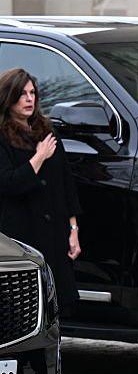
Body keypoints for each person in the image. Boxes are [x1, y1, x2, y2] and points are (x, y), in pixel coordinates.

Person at [0, 68, 81, 316]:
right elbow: (9, 183)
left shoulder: (47, 131)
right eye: (22, 94)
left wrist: (73, 229)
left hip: (54, 234)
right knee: (25, 307)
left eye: (32, 93)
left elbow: (66, 184)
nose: (29, 99)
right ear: (8, 97)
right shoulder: (2, 136)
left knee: (54, 306)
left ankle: (50, 354)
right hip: (22, 235)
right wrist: (38, 158)